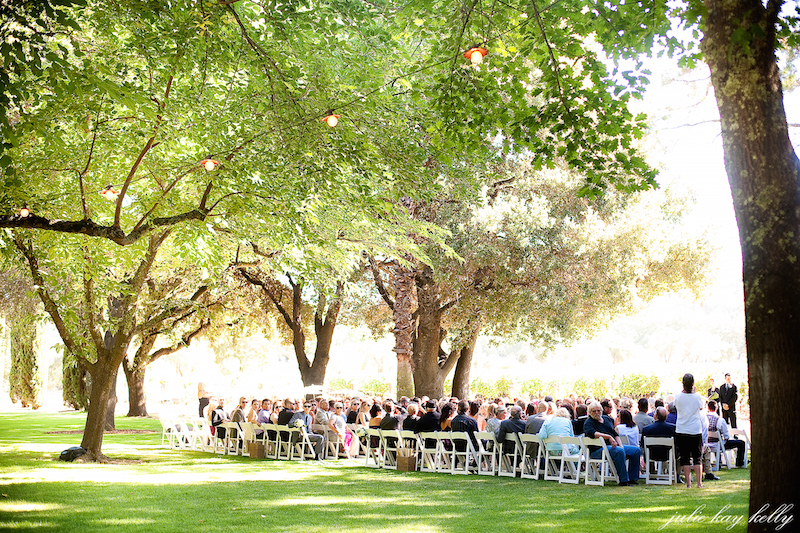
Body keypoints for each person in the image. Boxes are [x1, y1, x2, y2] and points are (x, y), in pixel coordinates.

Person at [583, 401, 641, 486]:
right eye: (594, 411)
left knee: (636, 450)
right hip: (597, 450)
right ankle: (624, 480)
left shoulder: (607, 419)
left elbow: (615, 434)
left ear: (601, 410)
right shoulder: (588, 422)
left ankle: (633, 478)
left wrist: (620, 445)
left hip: (612, 447)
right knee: (619, 451)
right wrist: (608, 437)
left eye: (598, 410)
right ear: (590, 412)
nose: (596, 413)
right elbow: (592, 433)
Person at [674, 373, 705, 488]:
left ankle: (688, 483)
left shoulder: (677, 396)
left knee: (685, 457)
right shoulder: (697, 397)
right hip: (695, 429)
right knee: (697, 457)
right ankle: (699, 483)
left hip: (682, 429)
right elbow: (701, 407)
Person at [706, 400, 746, 468]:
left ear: (708, 408)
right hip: (718, 444)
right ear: (717, 408)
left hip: (706, 444)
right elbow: (726, 436)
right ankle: (739, 463)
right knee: (741, 443)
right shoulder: (720, 420)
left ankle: (719, 461)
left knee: (719, 441)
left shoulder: (703, 419)